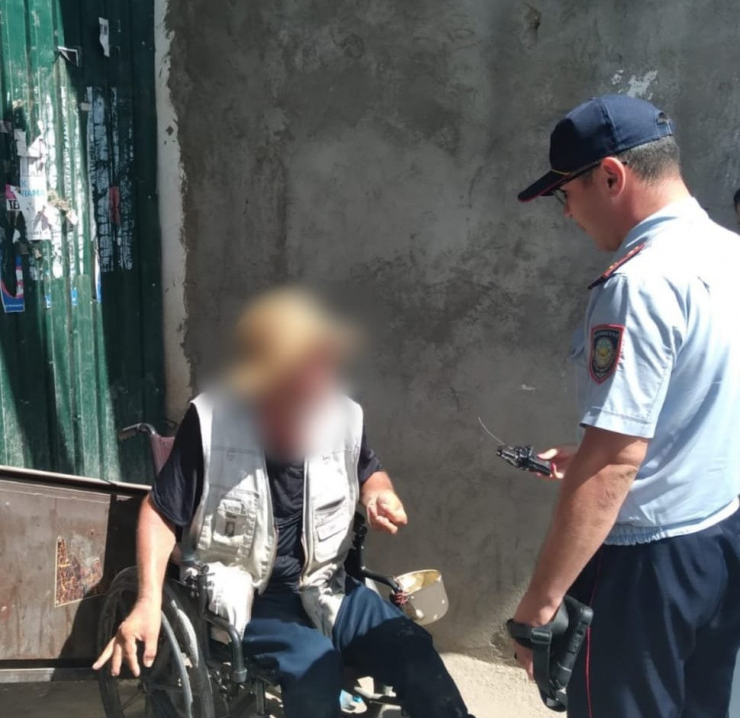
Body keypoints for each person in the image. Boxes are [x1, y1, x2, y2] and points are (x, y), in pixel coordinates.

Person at [94, 287, 473, 718]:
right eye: (290, 399)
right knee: (315, 669)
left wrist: (378, 493)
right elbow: (159, 512)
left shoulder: (342, 415)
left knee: (413, 650)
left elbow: (369, 470)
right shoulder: (212, 421)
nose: (307, 413)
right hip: (249, 596)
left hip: (326, 585)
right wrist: (147, 602)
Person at [512, 95, 740, 717]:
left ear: (611, 176)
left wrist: (540, 603)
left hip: (646, 565)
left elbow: (615, 464)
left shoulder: (639, 282)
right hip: (720, 535)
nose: (567, 213)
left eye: (565, 194)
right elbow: (703, 400)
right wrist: (593, 450)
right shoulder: (728, 252)